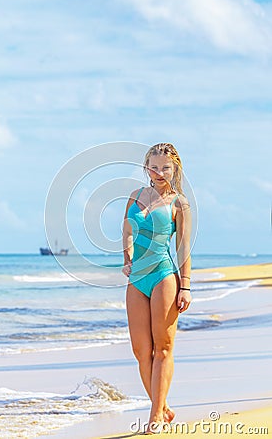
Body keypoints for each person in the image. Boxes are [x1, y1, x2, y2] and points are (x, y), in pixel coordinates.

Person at [122, 143, 192, 434]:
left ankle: (155, 416)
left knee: (163, 348)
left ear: (175, 168)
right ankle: (161, 407)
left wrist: (185, 287)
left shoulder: (179, 203)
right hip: (136, 280)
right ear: (146, 167)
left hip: (164, 275)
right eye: (154, 166)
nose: (159, 172)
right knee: (141, 351)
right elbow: (127, 229)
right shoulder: (135, 196)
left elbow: (183, 249)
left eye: (165, 167)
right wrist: (126, 257)